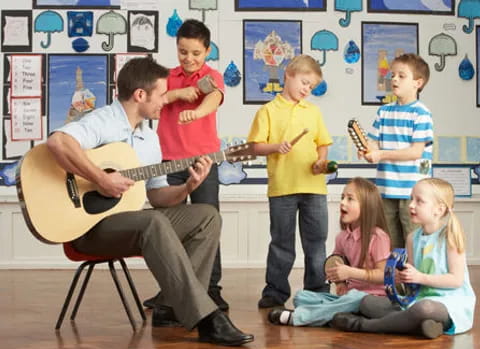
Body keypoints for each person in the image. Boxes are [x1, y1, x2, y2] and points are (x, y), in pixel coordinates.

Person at [46, 57, 253, 346]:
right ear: (140, 95)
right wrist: (101, 178)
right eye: (161, 95)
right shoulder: (103, 120)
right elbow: (58, 143)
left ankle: (170, 307)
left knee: (207, 216)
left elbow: (158, 197)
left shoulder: (150, 138)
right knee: (152, 222)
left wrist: (188, 186)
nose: (164, 102)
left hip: (129, 223)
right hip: (89, 229)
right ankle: (207, 318)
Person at [144, 19, 228, 311]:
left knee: (209, 223)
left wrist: (196, 112)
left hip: (204, 160)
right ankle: (169, 290)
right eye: (183, 52)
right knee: (167, 231)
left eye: (195, 53)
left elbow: (214, 97)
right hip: (167, 161)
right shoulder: (167, 77)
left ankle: (211, 289)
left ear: (207, 51)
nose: (189, 59)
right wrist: (177, 94)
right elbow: (155, 101)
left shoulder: (212, 75)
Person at [331, 178, 476, 339]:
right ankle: (424, 326)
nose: (411, 205)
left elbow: (456, 280)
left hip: (449, 303)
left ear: (439, 209)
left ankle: (364, 325)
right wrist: (403, 278)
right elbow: (412, 284)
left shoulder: (449, 237)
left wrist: (421, 277)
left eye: (419, 201)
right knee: (367, 303)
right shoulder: (412, 238)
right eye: (411, 199)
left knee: (424, 309)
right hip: (418, 300)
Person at [247, 54, 333, 309]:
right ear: (288, 74)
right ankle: (275, 291)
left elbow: (323, 144)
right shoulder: (267, 111)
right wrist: (275, 146)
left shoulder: (313, 111)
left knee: (316, 243)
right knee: (281, 243)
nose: (307, 90)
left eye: (311, 87)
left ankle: (317, 290)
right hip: (282, 188)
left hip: (314, 188)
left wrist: (320, 161)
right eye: (304, 83)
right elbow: (255, 147)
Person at [268, 177, 391, 326]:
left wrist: (351, 273)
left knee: (354, 299)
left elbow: (385, 276)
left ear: (367, 206)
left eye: (350, 199)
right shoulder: (342, 237)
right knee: (301, 297)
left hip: (372, 299)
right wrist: (340, 283)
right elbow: (335, 263)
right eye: (342, 197)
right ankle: (333, 315)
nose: (343, 202)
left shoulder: (378, 237)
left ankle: (299, 317)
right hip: (348, 298)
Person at [361, 53, 433, 249]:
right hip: (386, 190)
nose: (393, 79)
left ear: (418, 83)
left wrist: (381, 154)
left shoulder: (422, 114)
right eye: (392, 75)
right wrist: (369, 152)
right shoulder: (383, 112)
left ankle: (416, 280)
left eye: (401, 76)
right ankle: (396, 280)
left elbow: (416, 152)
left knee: (414, 242)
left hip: (414, 192)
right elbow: (373, 144)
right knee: (389, 243)